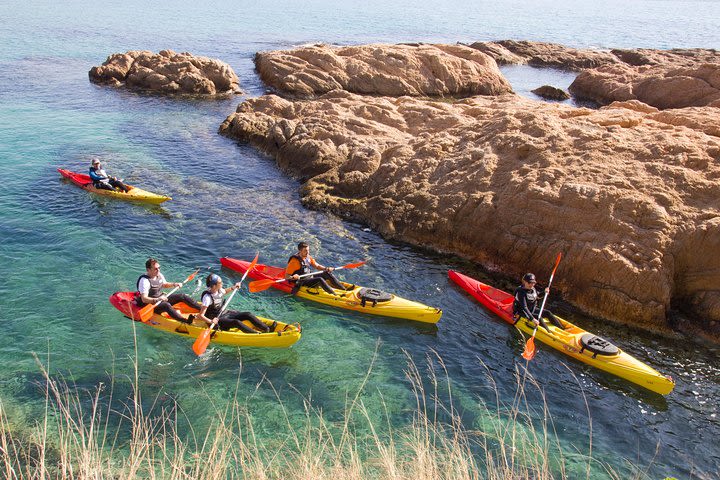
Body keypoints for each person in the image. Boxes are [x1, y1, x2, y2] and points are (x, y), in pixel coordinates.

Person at [197, 274, 273, 334]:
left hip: (224, 313)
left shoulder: (219, 290)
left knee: (248, 314)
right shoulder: (207, 298)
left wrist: (234, 287)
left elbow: (225, 291)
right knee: (236, 322)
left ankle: (266, 328)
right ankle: (256, 334)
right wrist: (211, 321)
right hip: (216, 319)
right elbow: (200, 316)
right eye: (220, 282)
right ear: (214, 286)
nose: (222, 283)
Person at [135, 258, 202, 324]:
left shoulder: (159, 275)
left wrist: (175, 284)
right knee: (166, 305)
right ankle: (185, 321)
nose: (158, 270)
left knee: (182, 296)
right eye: (155, 269)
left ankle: (203, 309)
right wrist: (158, 299)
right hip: (151, 304)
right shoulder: (144, 281)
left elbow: (164, 284)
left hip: (160, 298)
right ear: (148, 270)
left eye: (159, 268)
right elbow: (144, 299)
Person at [285, 242, 352, 296]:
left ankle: (344, 290)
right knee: (319, 279)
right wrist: (293, 277)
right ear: (300, 251)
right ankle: (335, 295)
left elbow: (317, 266)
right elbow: (286, 277)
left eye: (308, 250)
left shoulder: (307, 257)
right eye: (305, 251)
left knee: (326, 273)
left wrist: (326, 268)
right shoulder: (294, 262)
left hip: (309, 277)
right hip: (302, 281)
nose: (308, 253)